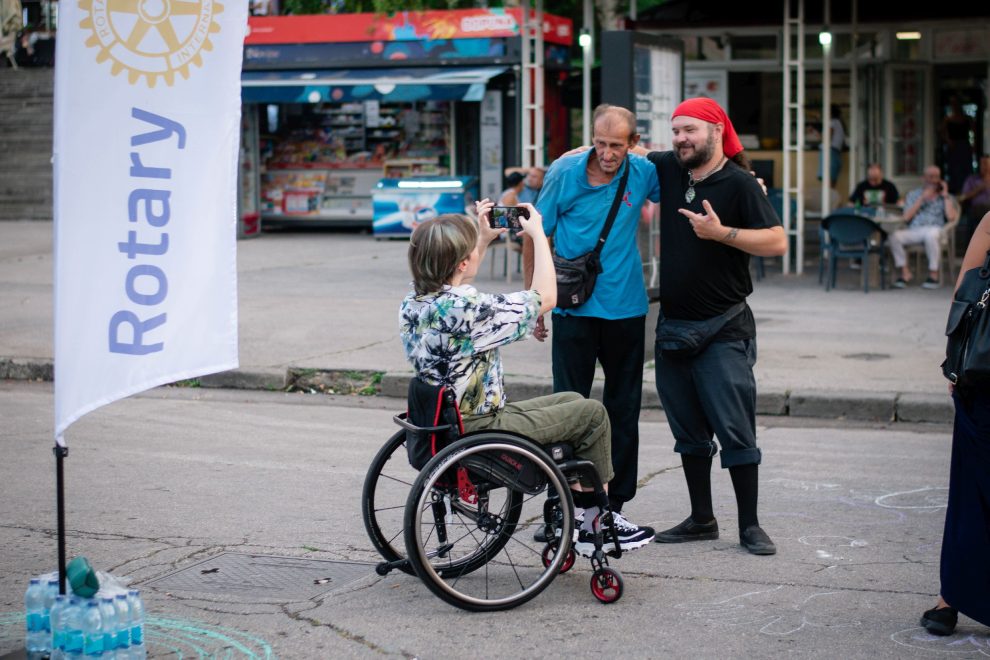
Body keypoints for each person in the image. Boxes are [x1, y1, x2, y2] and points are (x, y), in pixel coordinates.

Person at [399, 202, 654, 556]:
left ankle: (574, 510)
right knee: (593, 414)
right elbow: (546, 297)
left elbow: (454, 276)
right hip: (481, 426)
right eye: (470, 252)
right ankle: (596, 521)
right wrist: (538, 236)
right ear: (462, 263)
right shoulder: (469, 309)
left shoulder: (414, 301)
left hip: (444, 421)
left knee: (571, 401)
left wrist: (481, 239)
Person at [642, 97, 787, 555]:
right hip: (674, 327)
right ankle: (701, 519)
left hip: (724, 328)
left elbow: (777, 242)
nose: (681, 139)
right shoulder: (670, 168)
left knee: (735, 430)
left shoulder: (741, 183)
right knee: (689, 434)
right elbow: (625, 150)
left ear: (717, 131)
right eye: (676, 131)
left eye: (691, 130)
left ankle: (750, 526)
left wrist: (721, 233)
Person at [521, 104, 660, 537]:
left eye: (617, 145)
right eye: (600, 143)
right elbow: (536, 234)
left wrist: (746, 181)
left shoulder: (642, 172)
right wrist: (534, 301)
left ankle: (612, 506)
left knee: (624, 408)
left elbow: (688, 179)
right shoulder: (565, 172)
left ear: (633, 143)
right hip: (572, 307)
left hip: (625, 309)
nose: (607, 153)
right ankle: (560, 505)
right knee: (566, 408)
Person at [920, 210, 990, 636]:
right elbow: (966, 289)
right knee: (970, 488)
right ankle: (952, 596)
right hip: (984, 372)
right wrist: (955, 361)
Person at [889, 165, 960, 289]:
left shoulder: (945, 197)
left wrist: (945, 195)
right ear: (924, 178)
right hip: (915, 229)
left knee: (931, 235)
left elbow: (952, 217)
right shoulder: (913, 195)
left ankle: (933, 275)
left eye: (936, 177)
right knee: (893, 236)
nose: (933, 180)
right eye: (930, 177)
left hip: (935, 229)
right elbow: (906, 217)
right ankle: (905, 273)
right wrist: (922, 199)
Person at [939, 95, 975, 195]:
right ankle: (955, 191)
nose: (954, 106)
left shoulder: (967, 118)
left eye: (956, 103)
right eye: (952, 104)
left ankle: (966, 191)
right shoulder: (948, 119)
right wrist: (948, 141)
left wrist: (972, 145)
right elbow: (941, 132)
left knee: (965, 171)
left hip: (964, 147)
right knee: (954, 171)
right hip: (953, 148)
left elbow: (974, 132)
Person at [957, 154, 990, 249]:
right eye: (983, 164)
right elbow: (962, 197)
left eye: (987, 164)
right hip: (976, 210)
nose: (985, 167)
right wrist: (978, 189)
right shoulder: (971, 179)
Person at [817, 104, 846, 188]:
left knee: (827, 176)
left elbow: (826, 137)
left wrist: (815, 133)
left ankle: (828, 195)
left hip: (829, 151)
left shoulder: (832, 122)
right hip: (835, 151)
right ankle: (830, 194)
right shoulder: (838, 122)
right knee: (832, 178)